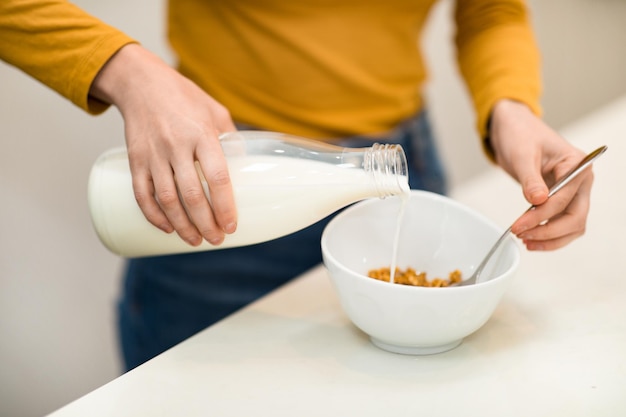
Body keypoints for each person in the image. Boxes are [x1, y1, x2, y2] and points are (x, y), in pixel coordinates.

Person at [0, 0, 594, 370]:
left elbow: (491, 8)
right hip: (218, 169)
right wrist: (124, 69)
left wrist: (510, 105)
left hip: (396, 162)